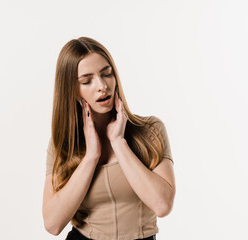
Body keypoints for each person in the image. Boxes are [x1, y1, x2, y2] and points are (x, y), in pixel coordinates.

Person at [42, 37, 175, 240]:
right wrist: (91, 157)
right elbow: (52, 224)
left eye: (107, 74)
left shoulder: (150, 130)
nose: (102, 86)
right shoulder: (63, 144)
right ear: (71, 90)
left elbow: (162, 205)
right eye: (87, 81)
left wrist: (119, 143)